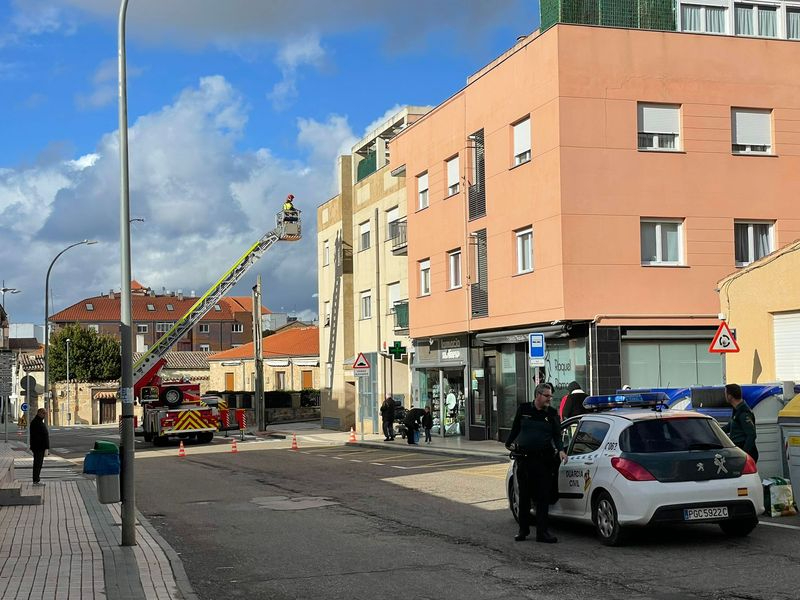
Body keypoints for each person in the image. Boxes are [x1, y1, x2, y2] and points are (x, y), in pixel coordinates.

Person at [505, 383, 567, 543]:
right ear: (538, 395)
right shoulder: (524, 409)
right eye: (547, 396)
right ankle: (523, 530)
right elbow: (515, 429)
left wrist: (560, 449)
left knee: (542, 497)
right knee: (524, 497)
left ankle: (542, 532)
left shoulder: (552, 414)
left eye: (550, 396)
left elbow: (557, 435)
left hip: (543, 460)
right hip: (524, 460)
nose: (550, 399)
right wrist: (509, 444)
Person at [722, 383, 759, 461]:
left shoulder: (743, 413)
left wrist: (744, 454)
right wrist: (715, 430)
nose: (724, 395)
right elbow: (729, 427)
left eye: (725, 393)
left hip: (744, 453)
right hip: (738, 451)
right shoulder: (736, 410)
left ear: (730, 396)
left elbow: (751, 435)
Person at [30, 408, 49, 486]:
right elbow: (37, 436)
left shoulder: (39, 421)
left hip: (40, 447)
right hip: (38, 447)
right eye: (43, 413)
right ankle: (36, 480)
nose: (45, 415)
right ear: (39, 413)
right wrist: (43, 445)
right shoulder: (36, 422)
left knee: (39, 464)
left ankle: (36, 479)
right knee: (37, 464)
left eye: (45, 413)